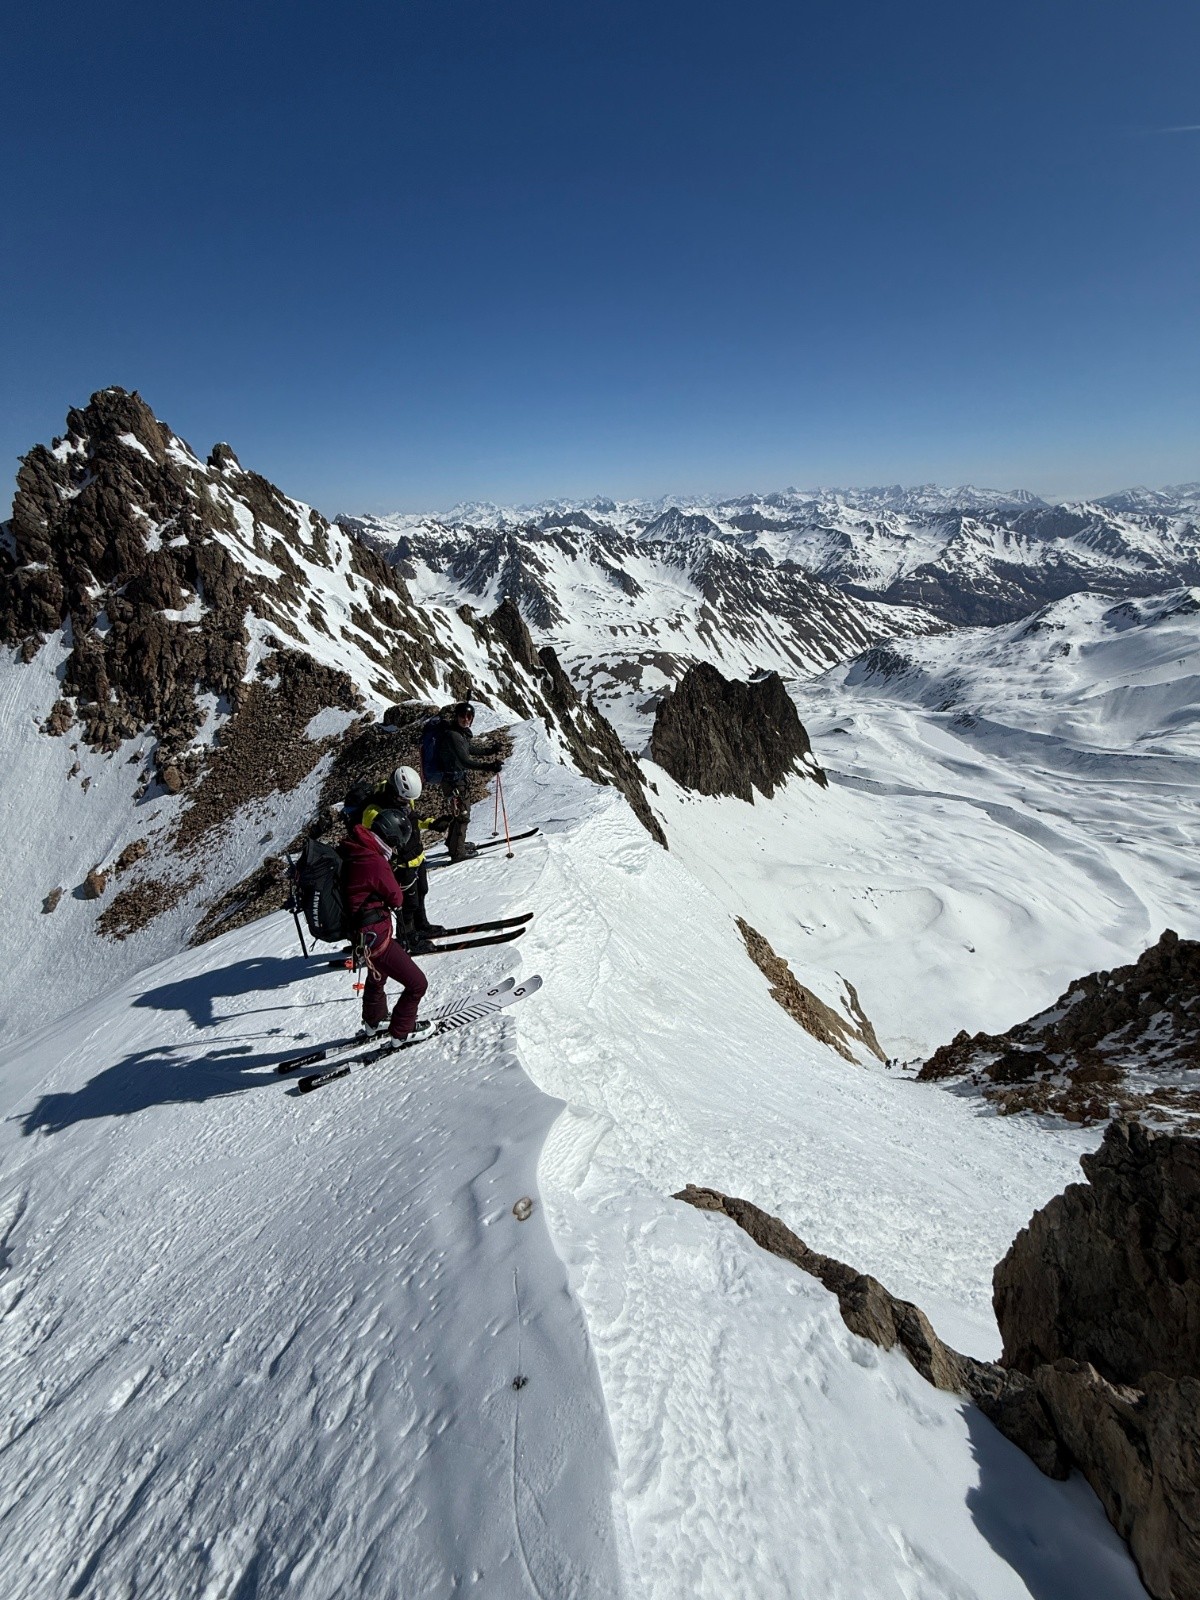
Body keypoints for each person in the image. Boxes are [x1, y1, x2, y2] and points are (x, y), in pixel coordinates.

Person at [338, 810, 429, 1039]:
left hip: (362, 933)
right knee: (417, 984)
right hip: (374, 934)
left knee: (378, 974)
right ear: (393, 837)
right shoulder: (374, 860)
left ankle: (374, 1020)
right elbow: (396, 898)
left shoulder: (356, 847)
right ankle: (402, 1033)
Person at [359, 767, 443, 943]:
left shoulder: (403, 801)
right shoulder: (374, 810)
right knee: (408, 902)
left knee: (422, 891)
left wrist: (432, 824)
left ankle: (422, 926)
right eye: (404, 798)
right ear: (395, 790)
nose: (407, 802)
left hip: (417, 856)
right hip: (401, 863)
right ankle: (407, 937)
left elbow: (412, 820)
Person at [424, 703, 503, 862]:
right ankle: (457, 853)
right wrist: (488, 766)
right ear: (456, 716)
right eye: (462, 716)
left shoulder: (458, 734)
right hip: (454, 782)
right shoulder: (453, 735)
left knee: (458, 814)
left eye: (469, 716)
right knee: (462, 816)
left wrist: (490, 751)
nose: (466, 719)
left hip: (455, 780)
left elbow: (468, 749)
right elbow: (465, 760)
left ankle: (454, 844)